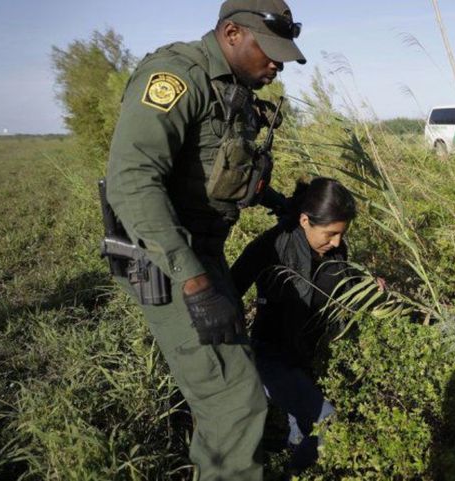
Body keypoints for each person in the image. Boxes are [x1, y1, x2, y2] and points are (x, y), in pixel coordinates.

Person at [104, 1, 306, 480]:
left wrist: (278, 202)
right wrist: (195, 284)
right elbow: (131, 181)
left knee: (230, 383)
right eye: (270, 51)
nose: (277, 65)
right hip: (165, 260)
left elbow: (219, 171)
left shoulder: (233, 91)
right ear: (232, 33)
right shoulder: (177, 77)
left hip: (201, 256)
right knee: (235, 400)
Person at [231, 178, 380, 472]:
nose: (336, 242)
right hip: (270, 359)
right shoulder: (272, 245)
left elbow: (341, 287)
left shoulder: (336, 250)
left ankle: (293, 467)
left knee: (301, 438)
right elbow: (228, 291)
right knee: (326, 424)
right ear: (304, 220)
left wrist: (368, 287)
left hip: (303, 359)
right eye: (331, 233)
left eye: (341, 234)